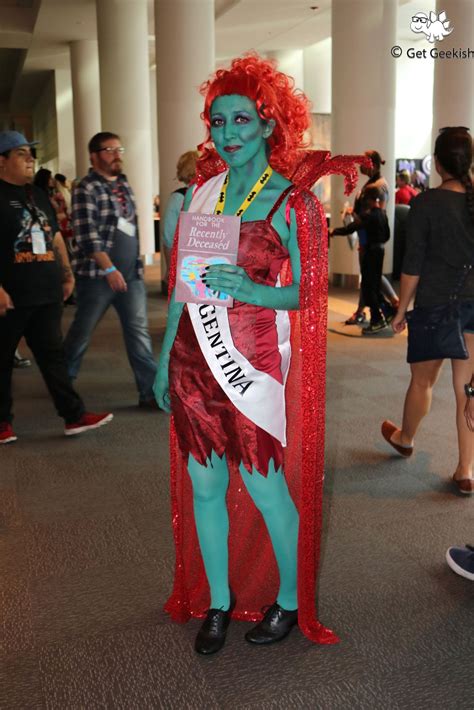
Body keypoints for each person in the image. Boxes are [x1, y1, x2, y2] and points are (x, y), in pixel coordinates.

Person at [153, 54, 356, 655]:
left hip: (250, 364)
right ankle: (217, 601)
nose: (229, 133)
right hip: (195, 359)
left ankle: (290, 603)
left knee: (268, 490)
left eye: (243, 119)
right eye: (218, 122)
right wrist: (166, 355)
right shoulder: (204, 194)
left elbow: (313, 292)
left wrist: (257, 290)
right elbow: (183, 287)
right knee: (205, 486)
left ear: (271, 125)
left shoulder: (294, 204)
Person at [0, 130, 113, 444]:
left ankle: (73, 416)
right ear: (1, 161)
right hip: (10, 294)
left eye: (30, 153)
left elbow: (55, 236)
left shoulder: (38, 195)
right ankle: (1, 423)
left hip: (46, 290)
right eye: (21, 153)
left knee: (53, 357)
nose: (29, 159)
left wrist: (67, 274)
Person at [382, 127, 474, 496]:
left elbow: (413, 265)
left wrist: (401, 310)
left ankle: (405, 438)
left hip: (436, 306)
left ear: (436, 163)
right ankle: (466, 469)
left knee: (423, 382)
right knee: (468, 390)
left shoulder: (425, 203)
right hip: (473, 308)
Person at [64, 132, 157, 409]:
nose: (117, 155)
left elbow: (131, 227)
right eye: (109, 150)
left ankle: (149, 392)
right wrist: (110, 269)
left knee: (138, 332)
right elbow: (86, 235)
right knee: (83, 330)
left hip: (131, 275)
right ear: (94, 156)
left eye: (120, 149)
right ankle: (62, 379)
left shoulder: (124, 184)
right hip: (97, 277)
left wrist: (133, 267)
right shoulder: (86, 187)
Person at [345, 150, 399, 326]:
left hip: (371, 238)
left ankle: (389, 304)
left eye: (363, 162)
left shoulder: (378, 185)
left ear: (372, 165)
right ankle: (371, 308)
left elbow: (374, 215)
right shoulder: (373, 184)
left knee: (371, 276)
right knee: (369, 275)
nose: (360, 166)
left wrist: (356, 217)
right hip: (366, 236)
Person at [331, 185, 390, 334]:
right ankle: (388, 313)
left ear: (369, 200)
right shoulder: (382, 214)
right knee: (375, 285)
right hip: (380, 251)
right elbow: (387, 235)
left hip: (370, 252)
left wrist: (334, 232)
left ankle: (377, 320)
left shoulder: (369, 216)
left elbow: (351, 228)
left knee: (368, 287)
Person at [161, 150, 199, 294]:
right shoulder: (214, 194)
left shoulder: (178, 198)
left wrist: (169, 270)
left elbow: (169, 236)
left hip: (185, 263)